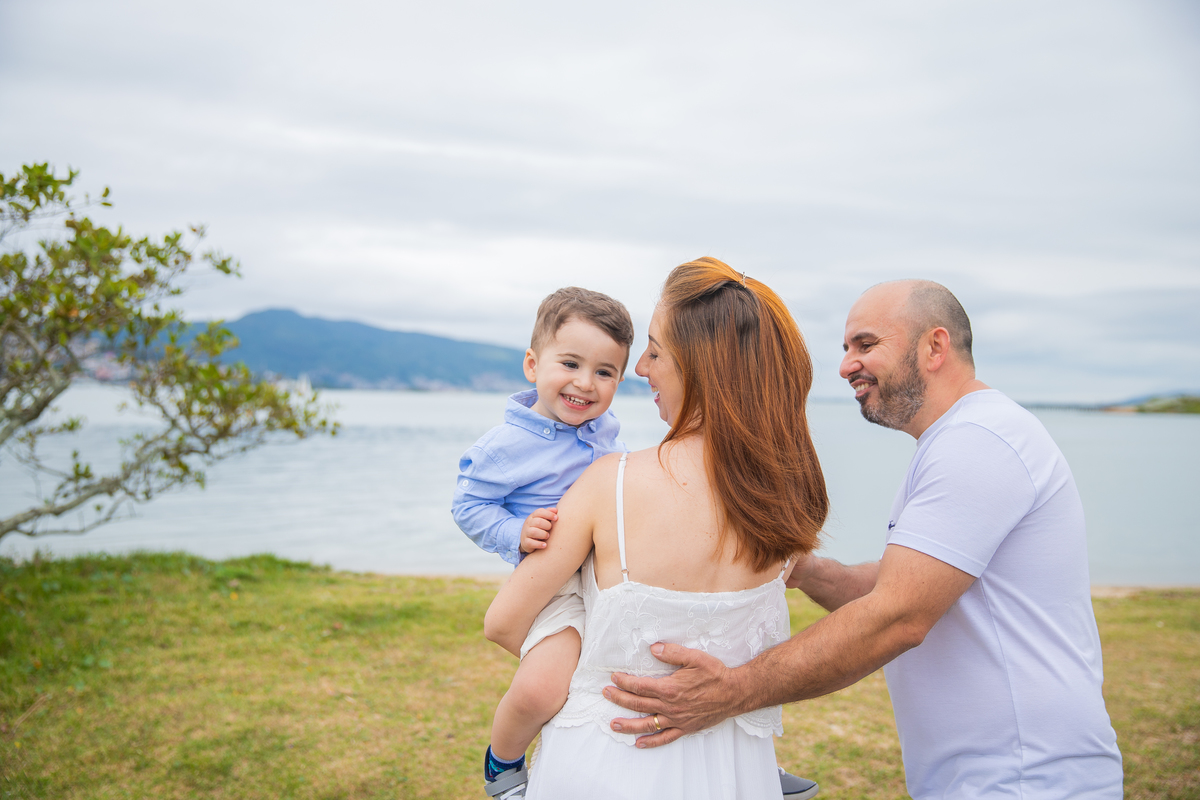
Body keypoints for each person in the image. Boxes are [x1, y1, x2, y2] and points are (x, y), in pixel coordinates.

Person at [602, 280, 1124, 799]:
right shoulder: (960, 438)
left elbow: (897, 617)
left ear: (934, 347)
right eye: (846, 347)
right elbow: (900, 586)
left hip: (1026, 778)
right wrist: (802, 568)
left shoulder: (978, 443)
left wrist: (732, 691)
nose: (847, 364)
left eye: (866, 345)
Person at [484, 258, 828, 800]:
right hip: (739, 771)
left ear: (698, 366)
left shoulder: (608, 484)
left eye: (655, 350)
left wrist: (591, 665)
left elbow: (505, 622)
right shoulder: (785, 497)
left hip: (606, 761)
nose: (640, 368)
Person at [452, 287, 635, 799]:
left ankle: (741, 755)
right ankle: (503, 763)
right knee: (541, 688)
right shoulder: (505, 446)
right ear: (533, 364)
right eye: (570, 363)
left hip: (615, 575)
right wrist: (515, 533)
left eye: (605, 372)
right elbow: (468, 506)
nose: (585, 383)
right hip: (554, 586)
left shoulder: (607, 433)